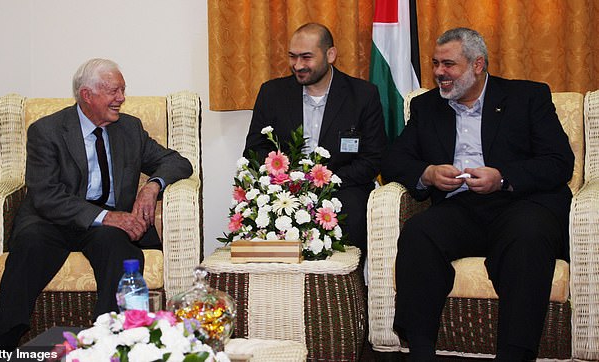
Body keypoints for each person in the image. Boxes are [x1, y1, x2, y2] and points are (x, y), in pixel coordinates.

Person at [381, 27, 574, 361]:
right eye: (435, 63)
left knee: (528, 236)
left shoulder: (527, 98)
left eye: (449, 64)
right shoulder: (427, 106)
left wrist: (503, 178)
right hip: (463, 207)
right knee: (418, 233)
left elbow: (559, 162)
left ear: (478, 65)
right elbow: (395, 159)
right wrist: (427, 174)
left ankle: (514, 352)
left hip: (520, 202)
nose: (439, 72)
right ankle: (420, 349)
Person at [0, 58, 193, 352]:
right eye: (114, 91)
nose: (122, 99)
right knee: (29, 245)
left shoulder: (129, 129)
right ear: (87, 95)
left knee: (120, 249)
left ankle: (107, 342)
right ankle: (5, 346)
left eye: (122, 90)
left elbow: (177, 162)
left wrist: (152, 187)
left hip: (104, 228)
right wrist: (106, 216)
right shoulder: (47, 131)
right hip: (52, 219)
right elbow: (46, 195)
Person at [243, 23, 387, 255]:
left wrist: (324, 181)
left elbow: (373, 158)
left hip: (343, 186)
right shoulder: (272, 93)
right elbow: (254, 150)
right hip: (285, 190)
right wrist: (288, 180)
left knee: (354, 211)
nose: (298, 65)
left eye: (306, 57)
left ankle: (347, 287)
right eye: (292, 57)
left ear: (330, 55)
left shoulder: (362, 95)